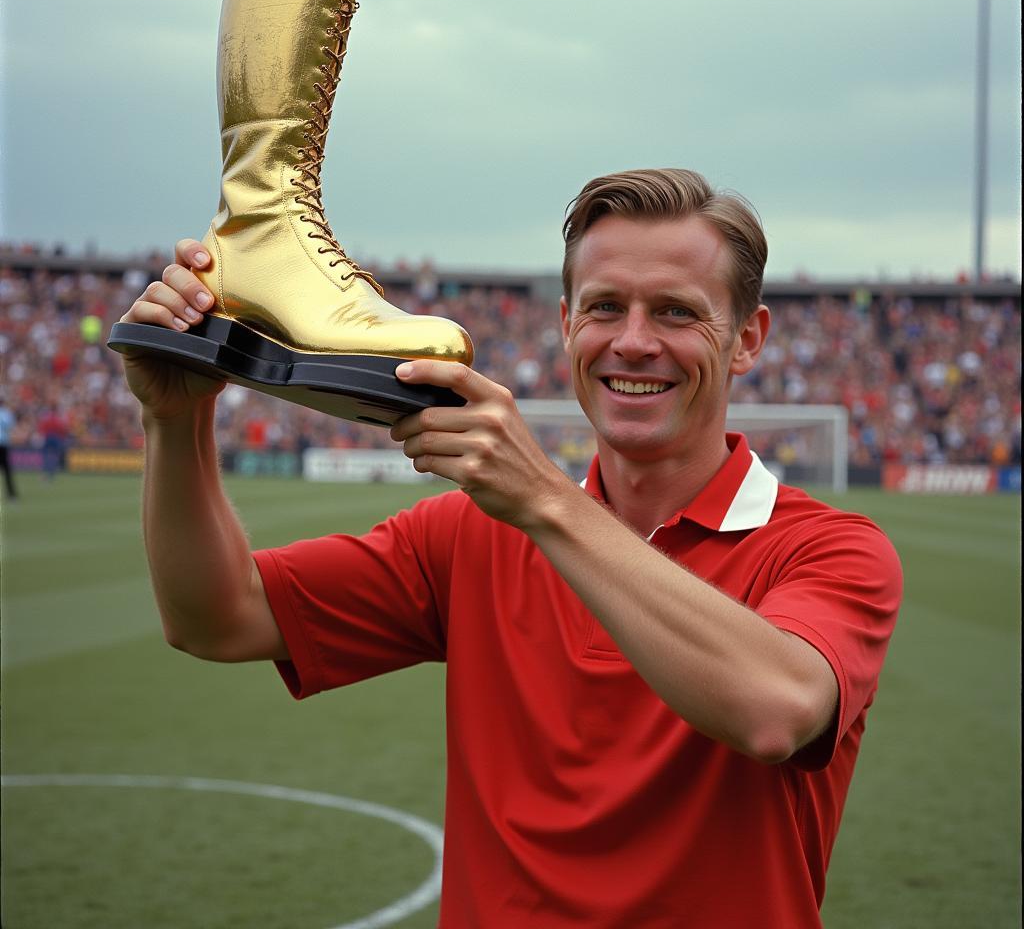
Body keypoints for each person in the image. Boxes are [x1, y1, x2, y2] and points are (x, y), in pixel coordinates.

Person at [119, 168, 901, 928]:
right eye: (604, 307)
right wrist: (175, 421)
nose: (633, 342)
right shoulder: (473, 533)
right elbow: (215, 617)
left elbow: (776, 712)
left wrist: (546, 502)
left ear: (746, 339)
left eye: (675, 313)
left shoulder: (832, 550)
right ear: (566, 325)